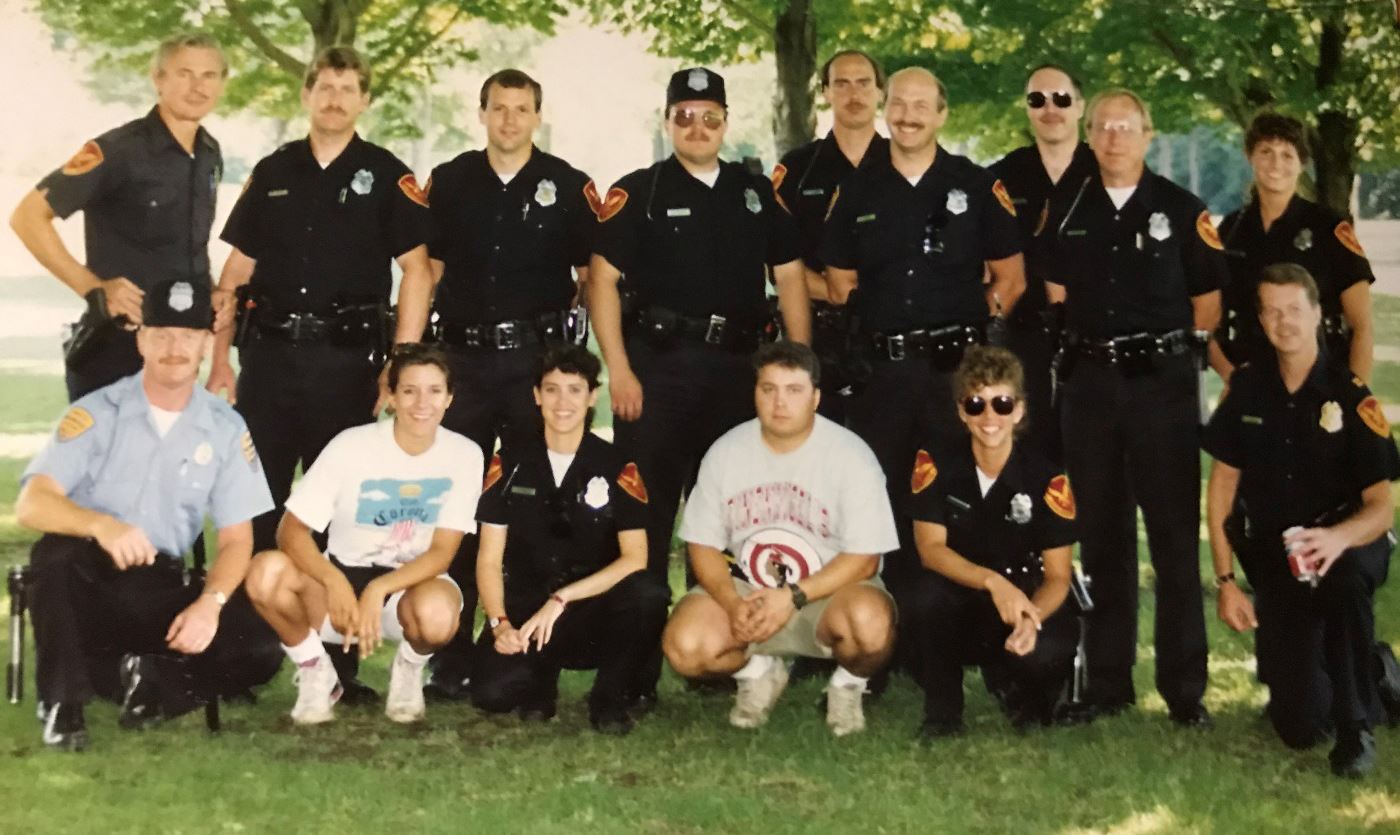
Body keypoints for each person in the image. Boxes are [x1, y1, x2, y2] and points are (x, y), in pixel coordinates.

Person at [209, 47, 433, 700]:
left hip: (347, 367)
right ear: (306, 95)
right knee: (253, 505)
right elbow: (236, 272)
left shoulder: (387, 174)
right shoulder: (273, 172)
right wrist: (221, 358)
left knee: (341, 515)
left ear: (364, 100)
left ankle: (340, 665)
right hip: (270, 364)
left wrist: (400, 365)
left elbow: (416, 271)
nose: (335, 98)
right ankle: (243, 661)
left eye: (348, 88)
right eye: (325, 86)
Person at [588, 67, 811, 696]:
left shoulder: (752, 192)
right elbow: (602, 279)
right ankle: (629, 674)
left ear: (724, 122)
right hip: (659, 373)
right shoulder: (641, 191)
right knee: (645, 522)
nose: (697, 126)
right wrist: (620, 371)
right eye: (684, 115)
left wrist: (799, 367)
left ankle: (721, 653)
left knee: (733, 520)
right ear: (667, 122)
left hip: (740, 375)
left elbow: (790, 274)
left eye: (709, 116)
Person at [15, 278, 279, 751]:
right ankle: (63, 704)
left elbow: (238, 539)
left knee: (259, 648)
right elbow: (32, 502)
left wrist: (209, 605)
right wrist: (100, 525)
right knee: (53, 555)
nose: (174, 347)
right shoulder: (97, 412)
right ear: (140, 338)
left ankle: (148, 676)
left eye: (188, 335)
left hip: (157, 586)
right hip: (90, 580)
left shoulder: (223, 428)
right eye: (161, 333)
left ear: (206, 342)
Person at [405, 69, 599, 699]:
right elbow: (427, 271)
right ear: (482, 113)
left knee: (527, 500)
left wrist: (582, 365)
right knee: (461, 500)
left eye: (522, 109)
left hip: (533, 368)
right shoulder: (452, 181)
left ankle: (517, 641)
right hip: (462, 359)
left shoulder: (568, 187)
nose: (510, 120)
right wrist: (409, 357)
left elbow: (590, 277)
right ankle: (452, 650)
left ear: (537, 116)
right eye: (499, 108)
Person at [1044, 88, 1226, 726]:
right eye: (1103, 127)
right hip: (1091, 387)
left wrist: (1163, 354)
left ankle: (1184, 692)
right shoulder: (1066, 208)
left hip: (1162, 392)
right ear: (1089, 136)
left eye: (1127, 126)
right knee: (1102, 538)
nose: (1114, 137)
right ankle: (1108, 684)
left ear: (1148, 134)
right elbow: (1055, 290)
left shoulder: (1182, 209)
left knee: (1175, 540)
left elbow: (1208, 303)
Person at [821, 66, 1025, 614]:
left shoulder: (976, 186)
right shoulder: (858, 188)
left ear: (941, 114)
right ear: (887, 109)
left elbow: (1010, 277)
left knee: (956, 496)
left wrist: (970, 327)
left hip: (954, 373)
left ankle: (963, 629)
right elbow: (840, 281)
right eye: (900, 104)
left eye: (921, 105)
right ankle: (882, 630)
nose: (908, 116)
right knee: (879, 498)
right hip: (882, 375)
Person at [1204, 264, 1398, 778]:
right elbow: (1222, 485)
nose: (1283, 321)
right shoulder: (1248, 389)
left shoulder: (1349, 393)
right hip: (1280, 560)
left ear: (1317, 314)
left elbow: (1381, 506)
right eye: (1271, 311)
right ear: (1261, 320)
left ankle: (1357, 731)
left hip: (1348, 540)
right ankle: (1375, 670)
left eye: (1294, 309)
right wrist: (1226, 582)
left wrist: (1337, 538)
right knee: (1300, 726)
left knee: (1344, 582)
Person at [662, 342, 899, 736]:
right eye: (768, 389)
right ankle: (759, 674)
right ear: (754, 392)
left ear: (816, 397)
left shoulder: (850, 455)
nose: (779, 403)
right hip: (749, 591)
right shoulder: (725, 452)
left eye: (794, 390)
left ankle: (847, 685)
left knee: (870, 627)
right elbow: (701, 544)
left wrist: (793, 596)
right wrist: (730, 601)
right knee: (685, 646)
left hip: (826, 592)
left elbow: (865, 559)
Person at [242, 344, 482, 725]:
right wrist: (334, 580)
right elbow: (290, 531)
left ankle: (408, 669)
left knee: (437, 616)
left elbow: (441, 554)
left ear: (450, 398)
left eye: (434, 391)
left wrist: (378, 589)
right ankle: (316, 669)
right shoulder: (350, 445)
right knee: (265, 572)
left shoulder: (465, 454)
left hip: (409, 585)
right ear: (390, 396)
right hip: (340, 583)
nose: (422, 403)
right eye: (409, 390)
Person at [9, 32, 227, 400]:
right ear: (158, 78)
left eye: (209, 75)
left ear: (222, 83)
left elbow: (188, 245)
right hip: (115, 351)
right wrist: (93, 289)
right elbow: (28, 216)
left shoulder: (209, 153)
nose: (197, 86)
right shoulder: (117, 150)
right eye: (184, 73)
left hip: (176, 352)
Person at [469, 345, 669, 734]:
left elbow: (635, 558)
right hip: (529, 607)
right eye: (552, 389)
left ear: (594, 396)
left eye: (575, 390)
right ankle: (540, 684)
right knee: (492, 695)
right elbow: (489, 558)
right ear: (536, 396)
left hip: (592, 609)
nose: (563, 402)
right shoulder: (508, 462)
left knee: (649, 595)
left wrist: (563, 598)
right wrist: (500, 623)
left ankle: (608, 698)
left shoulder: (617, 465)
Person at [904, 346, 1078, 738]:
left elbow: (1059, 577)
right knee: (925, 599)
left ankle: (1018, 689)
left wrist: (1032, 618)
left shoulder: (1047, 479)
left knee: (1046, 653)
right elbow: (930, 550)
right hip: (962, 595)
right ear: (961, 411)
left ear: (1019, 410)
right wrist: (992, 582)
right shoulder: (935, 463)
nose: (989, 418)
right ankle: (943, 715)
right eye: (975, 404)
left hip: (1025, 597)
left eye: (1001, 403)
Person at [1213, 112, 1376, 382]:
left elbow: (1362, 327)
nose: (1276, 163)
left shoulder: (1329, 228)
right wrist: (1231, 378)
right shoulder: (1230, 231)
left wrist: (1354, 400)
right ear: (1250, 156)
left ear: (1302, 163)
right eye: (1266, 151)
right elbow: (1206, 320)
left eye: (1287, 154)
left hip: (1321, 379)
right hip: (1252, 380)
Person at [990, 64, 1099, 463]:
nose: (1050, 108)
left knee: (1097, 475)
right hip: (1022, 342)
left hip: (1094, 345)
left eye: (1062, 99)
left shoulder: (1107, 173)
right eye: (1037, 100)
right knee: (1025, 464)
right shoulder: (1001, 179)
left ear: (1080, 106)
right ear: (1027, 109)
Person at [774, 49, 888, 423]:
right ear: (825, 92)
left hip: (890, 334)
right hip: (817, 332)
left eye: (863, 83)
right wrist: (834, 292)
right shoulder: (796, 171)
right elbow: (776, 259)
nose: (853, 94)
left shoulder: (905, 162)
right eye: (841, 84)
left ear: (880, 92)